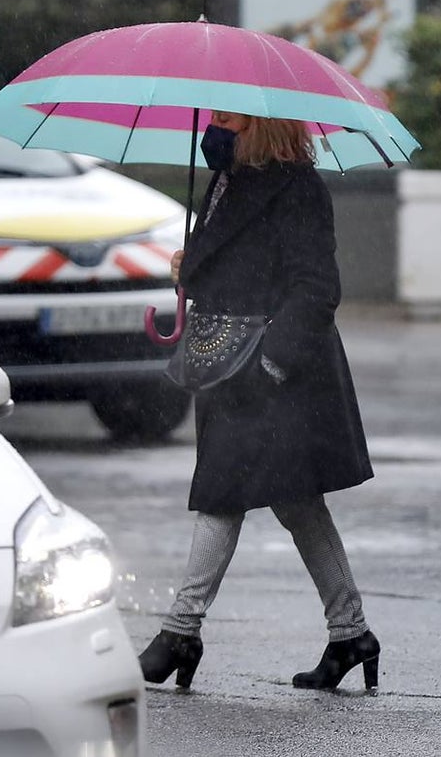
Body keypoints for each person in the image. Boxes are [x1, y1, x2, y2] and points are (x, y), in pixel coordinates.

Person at [137, 110, 380, 693]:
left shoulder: (298, 188)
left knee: (222, 494)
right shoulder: (226, 179)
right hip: (227, 364)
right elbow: (236, 263)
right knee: (295, 502)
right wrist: (191, 265)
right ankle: (351, 634)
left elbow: (317, 287)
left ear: (264, 124)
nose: (217, 124)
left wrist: (271, 361)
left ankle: (180, 632)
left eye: (230, 116)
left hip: (273, 372)